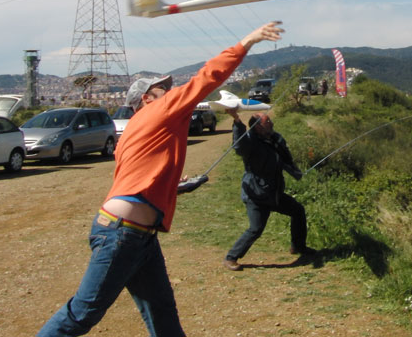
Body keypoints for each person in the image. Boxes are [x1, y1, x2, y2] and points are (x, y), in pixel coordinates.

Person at [37, 21, 284, 337]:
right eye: (162, 90)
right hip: (123, 234)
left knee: (163, 317)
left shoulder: (138, 127)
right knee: (81, 314)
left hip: (137, 234)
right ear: (146, 99)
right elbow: (206, 77)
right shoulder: (160, 111)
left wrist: (173, 187)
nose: (170, 92)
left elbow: (137, 176)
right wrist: (247, 41)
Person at [222, 110, 313, 271]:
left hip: (274, 193)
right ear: (258, 127)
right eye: (267, 122)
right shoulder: (250, 142)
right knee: (255, 228)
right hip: (256, 195)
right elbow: (239, 146)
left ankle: (298, 246)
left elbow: (285, 158)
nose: (271, 124)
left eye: (270, 121)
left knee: (298, 211)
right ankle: (231, 257)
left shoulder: (275, 139)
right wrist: (237, 121)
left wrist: (296, 173)